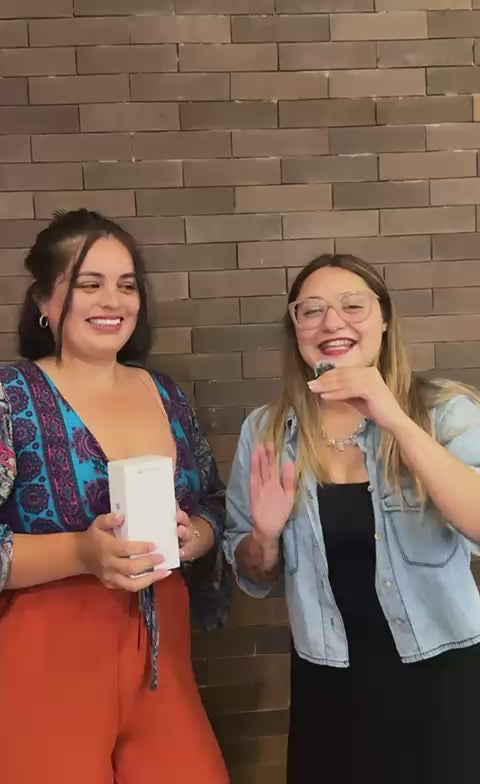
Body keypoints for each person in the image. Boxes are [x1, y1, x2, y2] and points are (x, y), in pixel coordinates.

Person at [223, 252, 480, 784]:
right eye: (311, 310)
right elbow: (253, 573)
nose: (331, 322)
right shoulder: (267, 432)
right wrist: (264, 537)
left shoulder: (445, 412)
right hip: (330, 684)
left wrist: (395, 419)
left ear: (384, 319)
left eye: (352, 305)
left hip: (445, 677)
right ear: (295, 328)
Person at [0, 209, 230, 784]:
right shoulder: (10, 396)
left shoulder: (165, 393)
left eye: (127, 285)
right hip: (45, 661)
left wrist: (195, 536)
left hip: (164, 660)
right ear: (44, 301)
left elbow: (212, 502)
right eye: (89, 283)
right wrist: (81, 552)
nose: (113, 301)